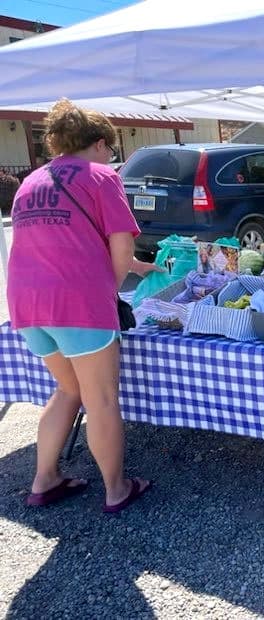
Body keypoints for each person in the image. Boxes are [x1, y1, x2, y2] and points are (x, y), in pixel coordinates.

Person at [7, 99, 151, 513]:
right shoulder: (103, 176)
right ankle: (116, 488)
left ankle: (44, 479)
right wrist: (113, 290)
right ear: (101, 143)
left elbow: (64, 245)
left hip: (27, 302)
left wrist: (138, 267)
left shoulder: (31, 181)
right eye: (111, 148)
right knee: (101, 397)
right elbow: (119, 248)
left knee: (67, 389)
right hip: (78, 303)